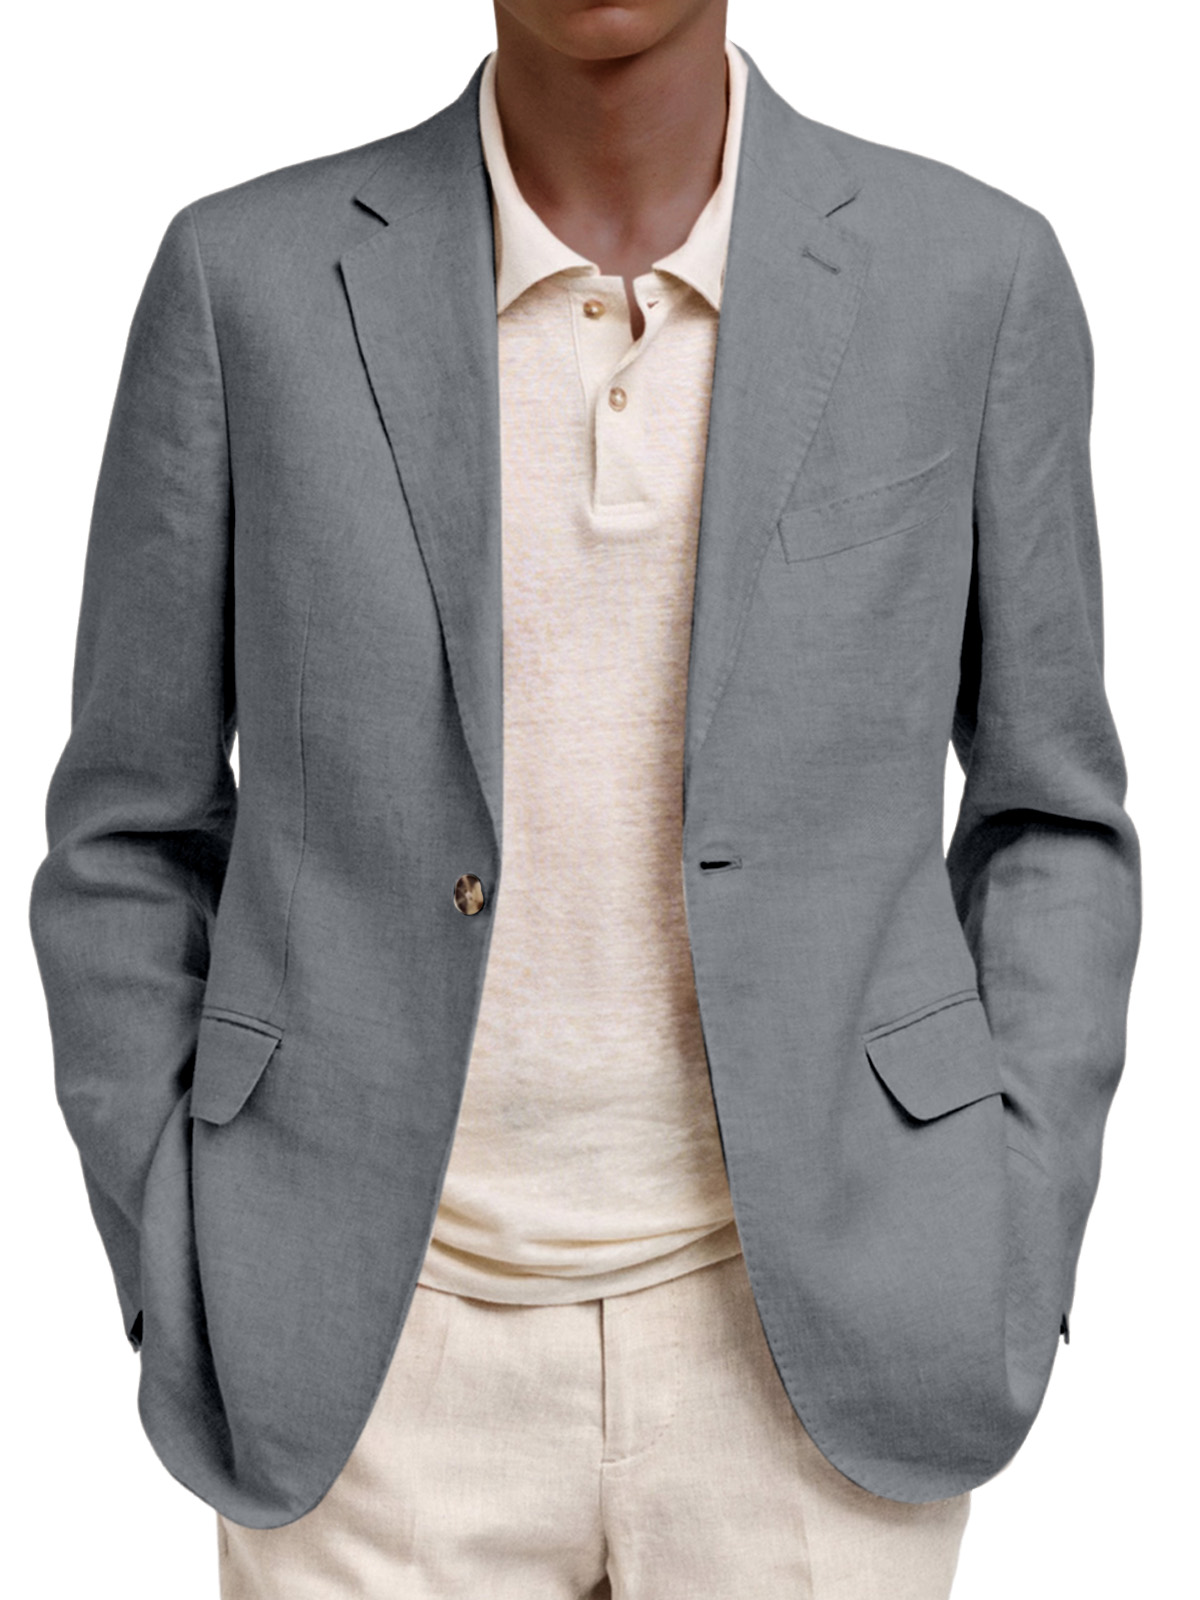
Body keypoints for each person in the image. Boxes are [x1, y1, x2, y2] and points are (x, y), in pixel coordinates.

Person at [28, 2, 1142, 1596]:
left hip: (824, 1346)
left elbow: (1051, 817)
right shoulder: (245, 281)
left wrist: (1009, 1231)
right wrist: (179, 1259)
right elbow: (127, 834)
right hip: (371, 1368)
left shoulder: (972, 276)